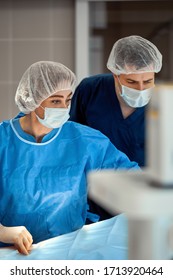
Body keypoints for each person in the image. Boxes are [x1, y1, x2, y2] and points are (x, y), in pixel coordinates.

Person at [0, 61, 139, 255]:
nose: (64, 108)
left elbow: (130, 178)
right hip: (11, 255)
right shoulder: (3, 142)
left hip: (69, 252)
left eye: (68, 100)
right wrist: (3, 231)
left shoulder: (85, 140)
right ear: (32, 100)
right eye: (55, 101)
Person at [70, 35, 162, 221]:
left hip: (144, 200)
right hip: (97, 199)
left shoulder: (164, 103)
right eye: (132, 82)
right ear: (115, 75)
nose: (141, 89)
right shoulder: (90, 90)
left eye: (148, 81)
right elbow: (73, 141)